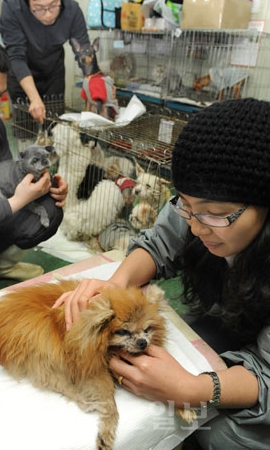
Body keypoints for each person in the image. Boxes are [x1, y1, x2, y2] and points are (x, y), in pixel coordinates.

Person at [53, 98, 270, 449]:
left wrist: (194, 388)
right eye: (185, 205)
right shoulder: (196, 212)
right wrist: (115, 285)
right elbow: (159, 242)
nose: (197, 228)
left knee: (223, 435)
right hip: (233, 322)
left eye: (215, 214)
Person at [0, 30, 68, 308]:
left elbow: (9, 175)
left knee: (49, 209)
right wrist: (17, 202)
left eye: (0, 97)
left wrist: (43, 187)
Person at [0, 0, 90, 136]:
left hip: (53, 73)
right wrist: (34, 98)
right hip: (21, 74)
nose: (48, 14)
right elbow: (16, 56)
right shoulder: (11, 7)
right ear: (27, 2)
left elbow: (84, 51)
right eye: (39, 8)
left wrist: (96, 81)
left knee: (54, 129)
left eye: (54, 5)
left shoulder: (72, 10)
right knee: (25, 130)